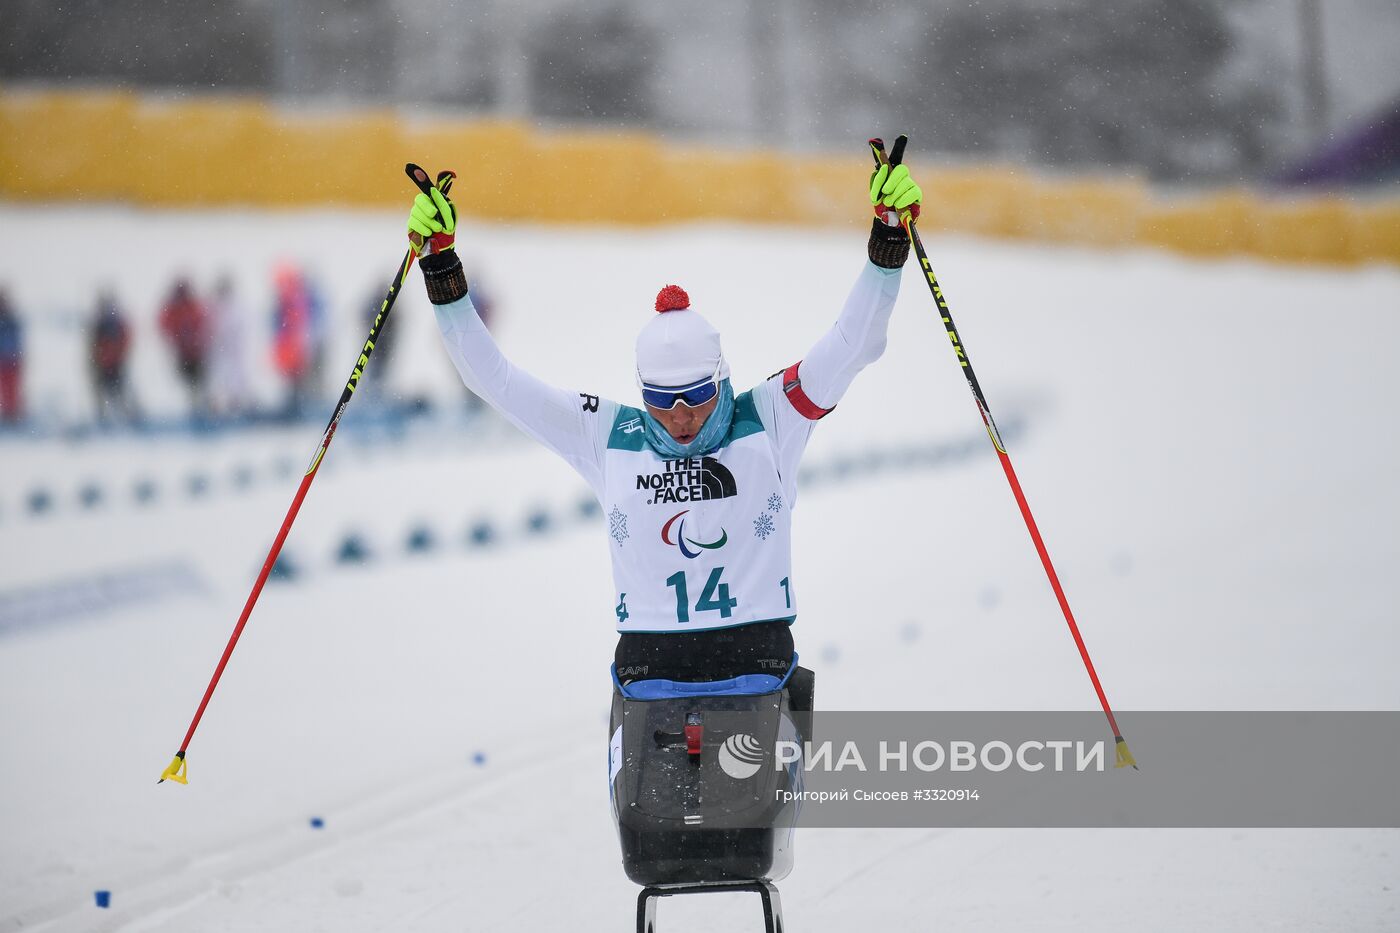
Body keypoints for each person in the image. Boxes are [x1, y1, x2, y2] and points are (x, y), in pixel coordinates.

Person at [405, 154, 923, 686]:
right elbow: (493, 380)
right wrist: (442, 268)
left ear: (721, 378)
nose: (681, 417)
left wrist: (887, 240)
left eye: (697, 395)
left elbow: (854, 343)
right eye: (661, 400)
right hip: (651, 670)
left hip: (756, 664)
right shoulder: (607, 434)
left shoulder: (770, 415)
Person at [158, 276, 211, 421]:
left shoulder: (191, 307)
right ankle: (197, 408)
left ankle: (201, 407)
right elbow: (164, 324)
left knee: (198, 382)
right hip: (186, 352)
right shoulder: (179, 308)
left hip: (194, 352)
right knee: (192, 382)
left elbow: (204, 323)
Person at [89, 290, 138, 427]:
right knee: (106, 392)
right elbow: (93, 346)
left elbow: (125, 339)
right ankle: (106, 418)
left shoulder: (112, 322)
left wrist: (120, 354)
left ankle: (126, 416)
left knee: (118, 391)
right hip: (105, 363)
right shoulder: (100, 324)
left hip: (114, 362)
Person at [207, 274, 251, 420]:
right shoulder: (214, 308)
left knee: (234, 378)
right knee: (221, 379)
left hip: (231, 351)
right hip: (221, 352)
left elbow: (238, 330)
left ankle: (236, 406)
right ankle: (218, 409)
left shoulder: (235, 308)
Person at [0, 288, 22, 425]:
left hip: (11, 360)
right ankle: (7, 415)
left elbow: (17, 339)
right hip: (3, 360)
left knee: (12, 390)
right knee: (4, 389)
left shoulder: (12, 320)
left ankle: (13, 415)